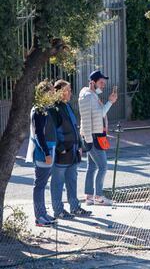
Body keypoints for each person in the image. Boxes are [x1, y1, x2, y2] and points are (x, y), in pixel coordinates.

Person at [50, 80, 92, 219]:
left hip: (73, 151)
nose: (70, 93)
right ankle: (58, 211)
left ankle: (75, 208)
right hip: (62, 153)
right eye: (67, 90)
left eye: (70, 90)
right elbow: (52, 131)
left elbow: (75, 127)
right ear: (59, 92)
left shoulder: (67, 106)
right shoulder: (53, 108)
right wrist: (60, 148)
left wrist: (80, 145)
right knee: (57, 183)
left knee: (72, 181)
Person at [78, 70, 117, 206]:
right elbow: (98, 115)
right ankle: (98, 196)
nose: (103, 85)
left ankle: (89, 197)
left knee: (92, 167)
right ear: (92, 82)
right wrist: (110, 102)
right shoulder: (89, 96)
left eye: (104, 83)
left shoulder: (90, 95)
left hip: (91, 136)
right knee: (103, 166)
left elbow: (95, 116)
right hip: (93, 137)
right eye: (101, 82)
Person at [26, 80, 58, 227]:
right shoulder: (38, 109)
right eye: (51, 91)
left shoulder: (44, 108)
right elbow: (39, 133)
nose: (53, 93)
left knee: (42, 184)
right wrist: (46, 153)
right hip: (43, 152)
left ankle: (43, 213)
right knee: (39, 185)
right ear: (44, 93)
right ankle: (39, 217)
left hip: (48, 150)